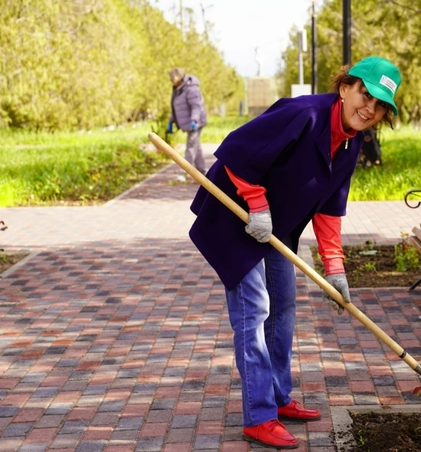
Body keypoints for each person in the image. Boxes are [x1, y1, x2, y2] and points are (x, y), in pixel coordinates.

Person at [188, 56, 401, 449]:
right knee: (254, 312)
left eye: (380, 104)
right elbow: (236, 151)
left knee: (283, 305)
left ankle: (279, 397)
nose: (370, 108)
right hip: (235, 215)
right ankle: (259, 416)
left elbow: (329, 209)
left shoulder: (351, 143)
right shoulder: (302, 114)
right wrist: (255, 203)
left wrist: (335, 269)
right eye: (365, 94)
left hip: (276, 227)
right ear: (345, 87)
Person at [167, 67, 208, 181]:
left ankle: (183, 173)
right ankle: (204, 173)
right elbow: (176, 108)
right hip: (188, 122)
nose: (173, 82)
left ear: (180, 79)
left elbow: (196, 106)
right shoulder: (177, 89)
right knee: (196, 147)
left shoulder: (192, 89)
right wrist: (171, 121)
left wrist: (194, 120)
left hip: (196, 122)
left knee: (190, 147)